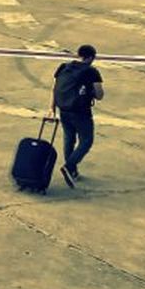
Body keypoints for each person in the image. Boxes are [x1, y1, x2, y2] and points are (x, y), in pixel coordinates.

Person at [53, 44, 104, 186]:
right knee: (86, 141)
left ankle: (73, 171)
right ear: (91, 58)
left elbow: (55, 87)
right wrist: (91, 92)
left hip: (63, 109)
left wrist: (52, 107)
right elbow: (99, 94)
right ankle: (69, 166)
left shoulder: (64, 67)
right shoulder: (91, 71)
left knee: (69, 138)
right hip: (81, 112)